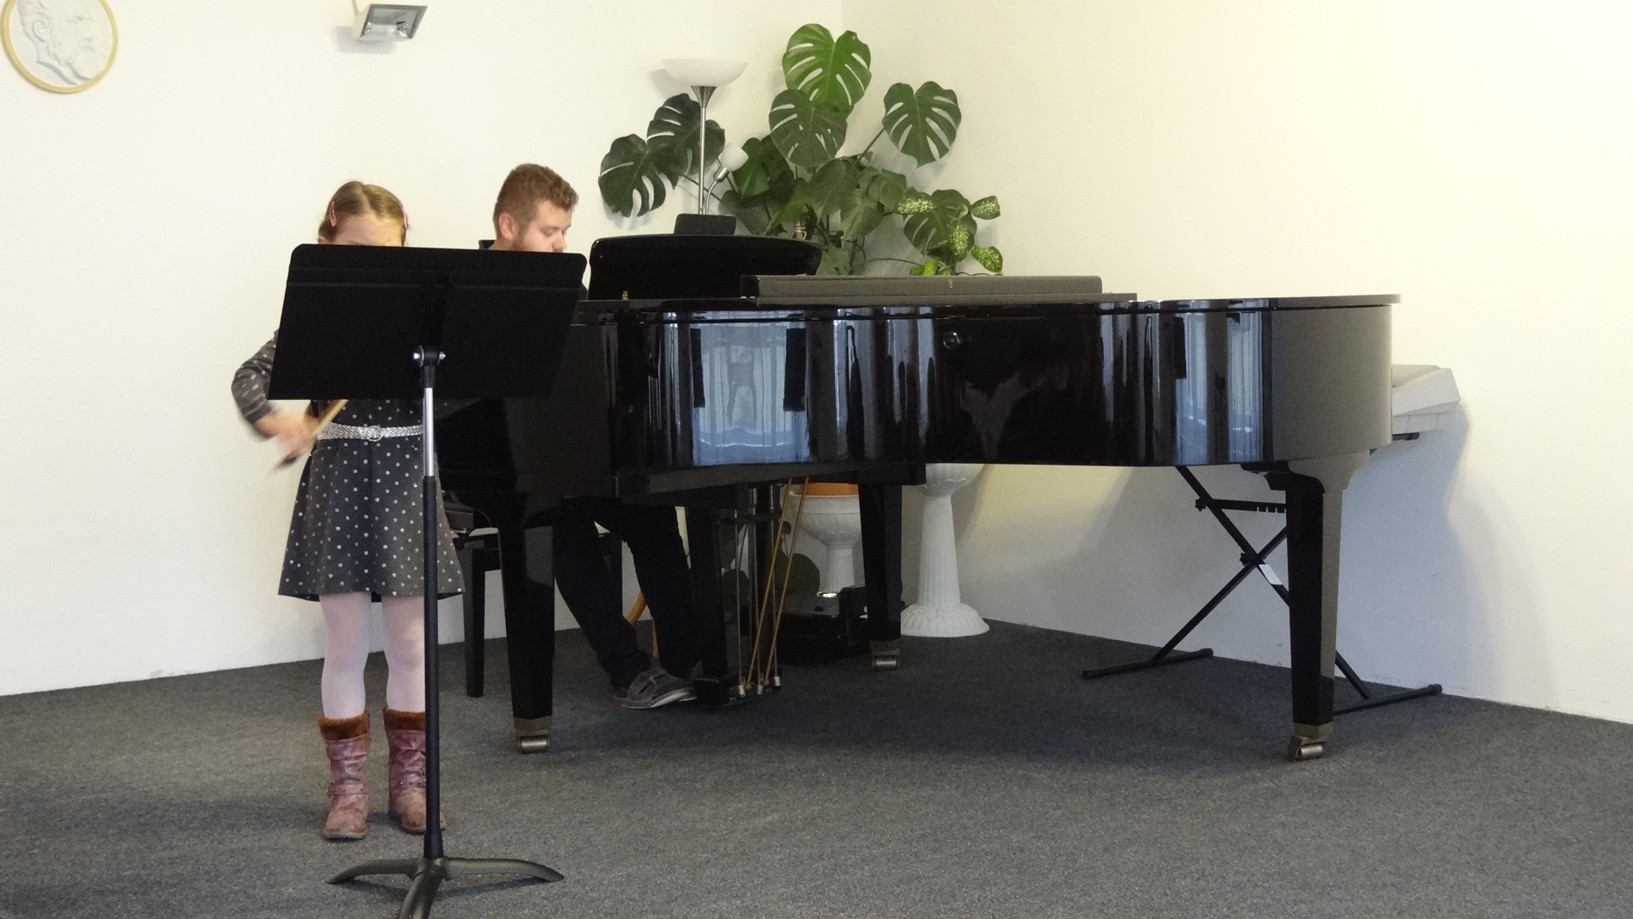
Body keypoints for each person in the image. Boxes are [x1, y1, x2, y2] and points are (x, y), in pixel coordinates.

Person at [231, 181, 461, 841]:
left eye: (389, 252)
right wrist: (277, 421)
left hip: (405, 477)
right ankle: (348, 791)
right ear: (327, 241)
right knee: (345, 643)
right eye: (358, 249)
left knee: (411, 643)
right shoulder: (319, 316)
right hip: (340, 480)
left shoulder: (419, 321)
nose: (374, 266)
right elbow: (249, 377)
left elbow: (457, 390)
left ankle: (411, 785)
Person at [488, 163, 701, 709]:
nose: (561, 244)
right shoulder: (476, 290)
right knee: (564, 527)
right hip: (509, 462)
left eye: (564, 231)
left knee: (652, 516)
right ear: (508, 225)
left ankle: (687, 660)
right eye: (549, 231)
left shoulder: (568, 286)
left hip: (576, 454)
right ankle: (628, 671)